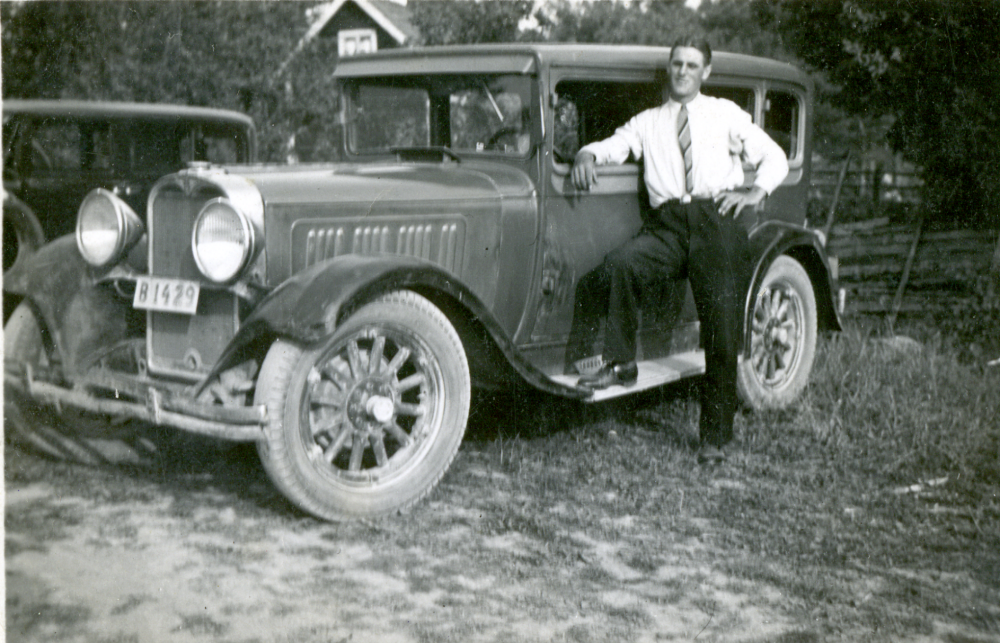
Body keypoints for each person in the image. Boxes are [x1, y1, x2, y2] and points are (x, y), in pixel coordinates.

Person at [569, 36, 789, 464]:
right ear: (669, 70)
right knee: (620, 266)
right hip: (668, 225)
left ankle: (714, 438)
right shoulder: (647, 121)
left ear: (706, 72)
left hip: (716, 222)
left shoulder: (725, 114)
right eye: (676, 64)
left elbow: (774, 156)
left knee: (721, 328)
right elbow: (614, 145)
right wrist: (586, 154)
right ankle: (622, 362)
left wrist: (754, 192)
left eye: (692, 65)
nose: (683, 72)